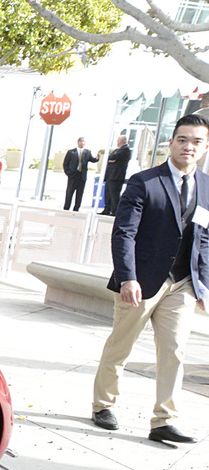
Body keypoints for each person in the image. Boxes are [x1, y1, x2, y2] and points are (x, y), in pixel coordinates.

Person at [91, 113, 209, 445]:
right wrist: (127, 277)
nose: (188, 146)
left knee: (174, 350)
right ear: (171, 142)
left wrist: (204, 284)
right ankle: (103, 405)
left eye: (196, 141)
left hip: (182, 283)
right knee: (121, 345)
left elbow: (205, 238)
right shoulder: (145, 181)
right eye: (182, 139)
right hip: (141, 281)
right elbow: (124, 233)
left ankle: (164, 420)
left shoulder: (208, 187)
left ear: (205, 147)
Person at [63, 137, 100, 211]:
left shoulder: (87, 152)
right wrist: (68, 173)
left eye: (84, 142)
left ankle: (76, 208)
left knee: (80, 193)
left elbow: (92, 159)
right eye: (82, 141)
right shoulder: (71, 152)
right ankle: (66, 207)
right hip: (73, 175)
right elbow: (65, 164)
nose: (83, 143)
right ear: (78, 142)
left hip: (82, 176)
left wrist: (97, 158)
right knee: (70, 192)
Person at [102, 136, 131, 216]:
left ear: (122, 141)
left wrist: (112, 160)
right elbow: (109, 158)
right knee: (107, 193)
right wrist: (111, 160)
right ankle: (107, 209)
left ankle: (115, 211)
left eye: (118, 141)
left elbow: (112, 157)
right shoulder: (117, 150)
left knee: (114, 195)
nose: (117, 142)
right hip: (110, 176)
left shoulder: (125, 150)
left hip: (116, 176)